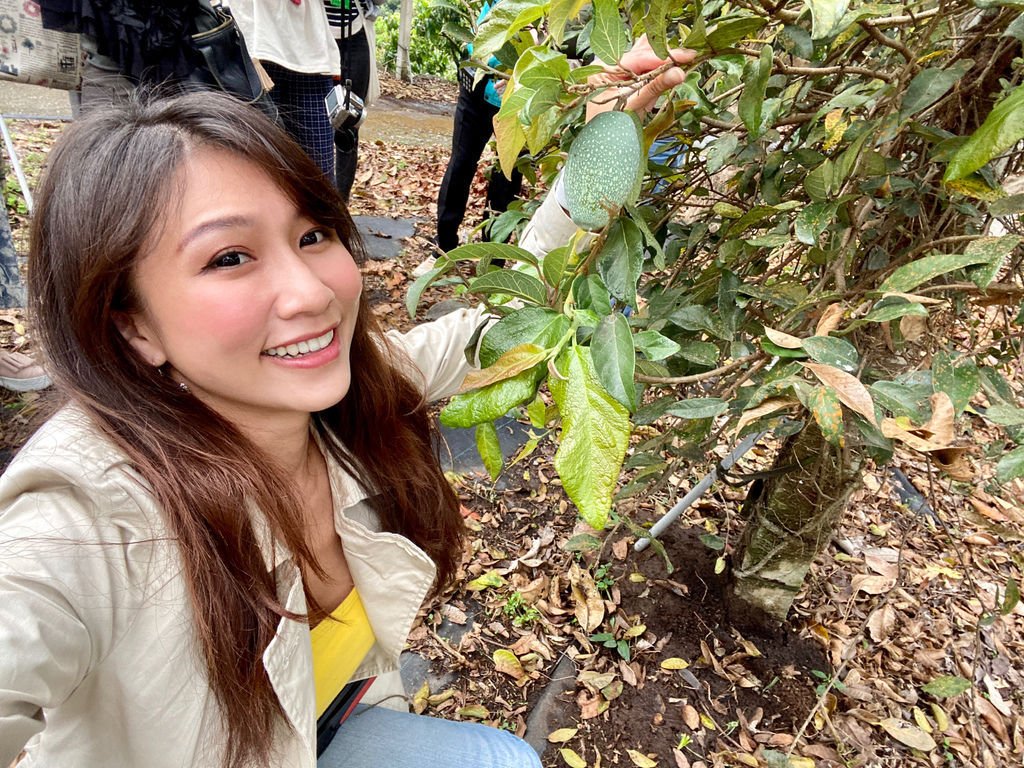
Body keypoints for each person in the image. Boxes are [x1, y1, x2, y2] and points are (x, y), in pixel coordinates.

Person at [0, 90, 539, 768]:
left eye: (312, 235)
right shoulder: (93, 512)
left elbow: (496, 336)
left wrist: (607, 132)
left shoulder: (342, 395)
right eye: (230, 257)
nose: (313, 293)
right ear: (132, 324)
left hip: (330, 725)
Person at [435, 0, 522, 253]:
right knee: (460, 164)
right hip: (476, 87)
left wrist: (522, 75)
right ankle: (444, 245)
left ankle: (493, 259)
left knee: (506, 177)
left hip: (516, 99)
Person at [323, 0, 378, 201]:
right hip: (313, 35)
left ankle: (340, 204)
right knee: (314, 119)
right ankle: (315, 199)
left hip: (354, 33)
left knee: (349, 121)